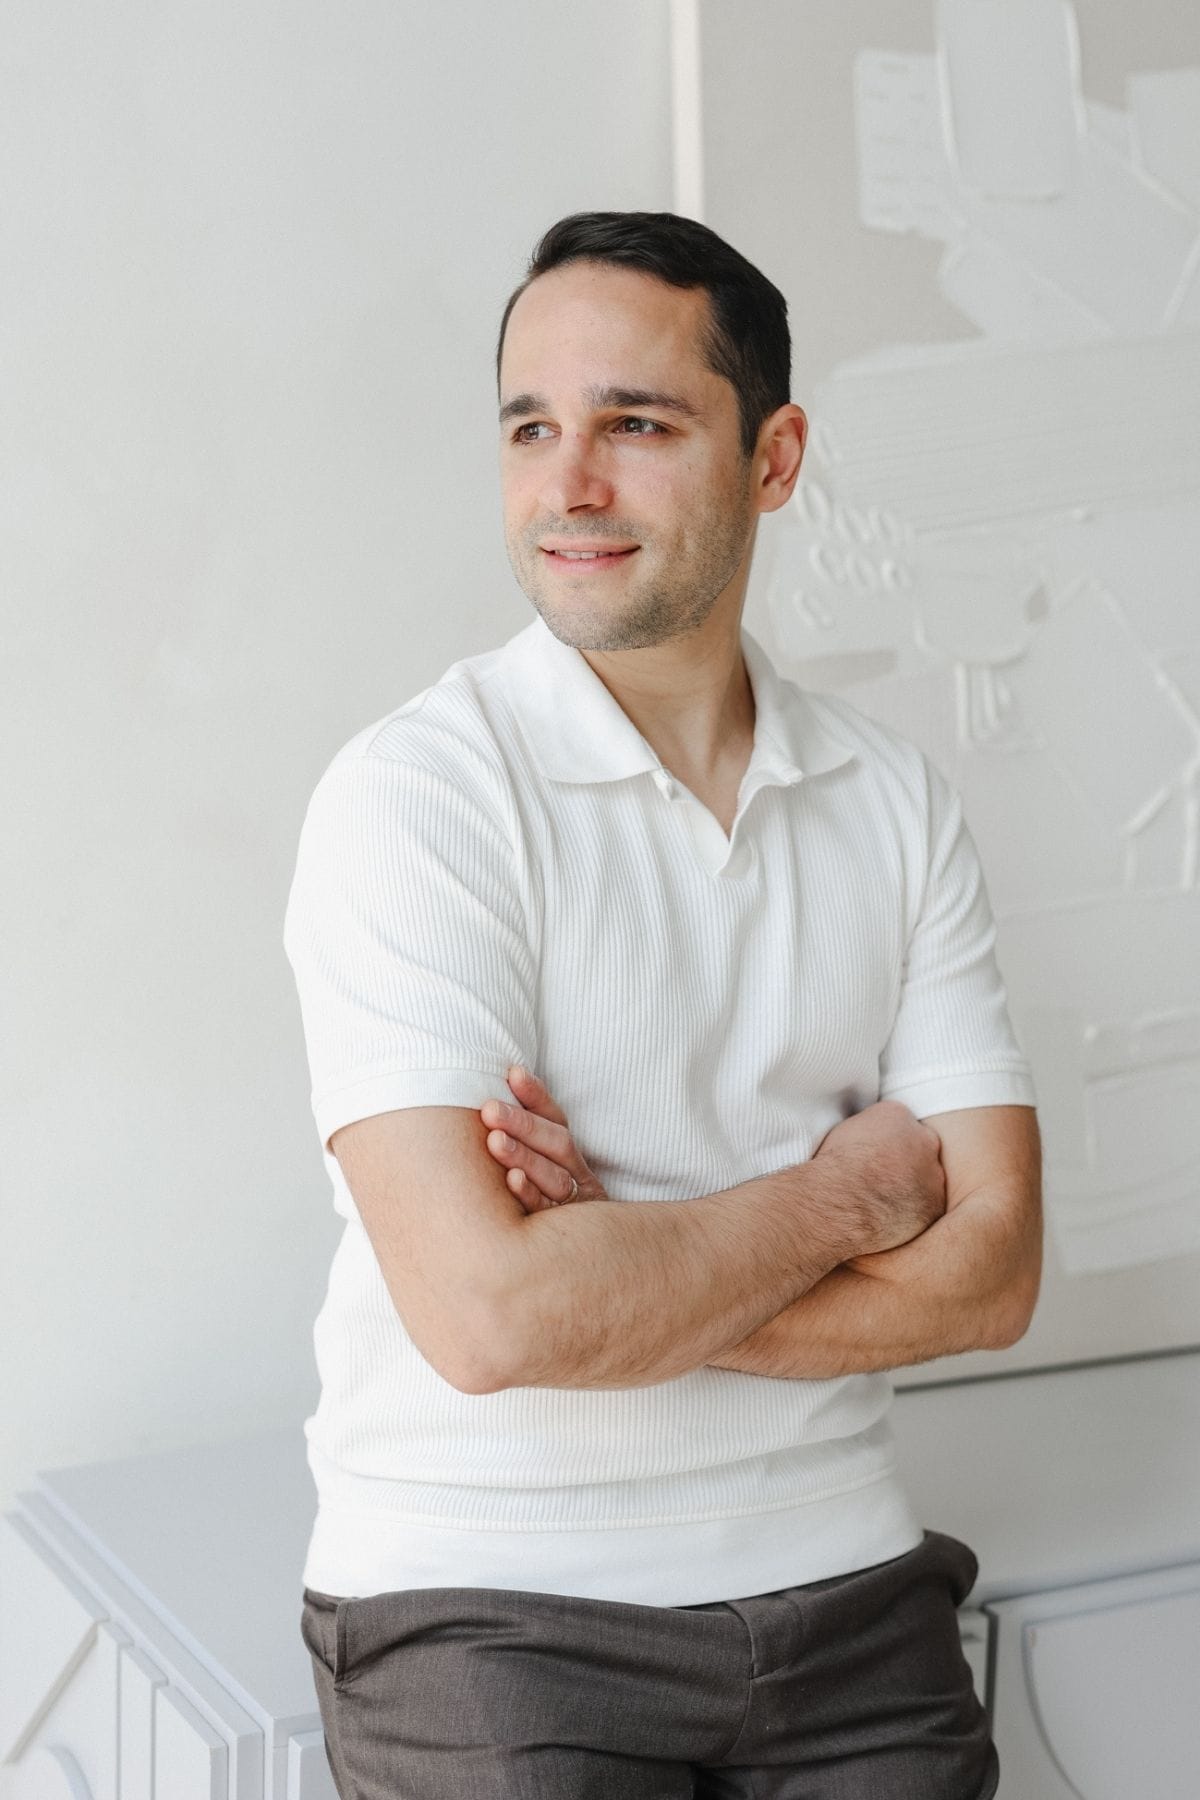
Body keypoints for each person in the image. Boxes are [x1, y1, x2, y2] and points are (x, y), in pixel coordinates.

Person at [285, 210, 1042, 1799]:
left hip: (848, 1587)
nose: (567, 487)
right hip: (488, 1612)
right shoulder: (417, 799)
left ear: (774, 459)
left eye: (635, 424)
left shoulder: (895, 801)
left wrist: (622, 1256)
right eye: (530, 428)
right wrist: (840, 1198)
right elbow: (496, 1324)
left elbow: (991, 1277)